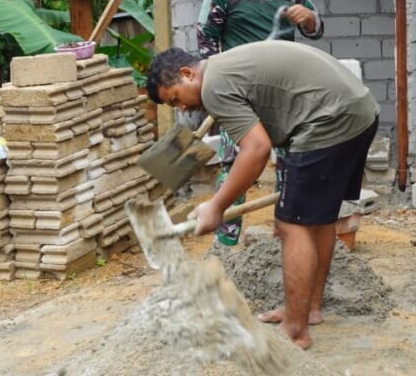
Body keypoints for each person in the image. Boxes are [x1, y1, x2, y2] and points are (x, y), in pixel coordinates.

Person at [146, 41, 379, 350]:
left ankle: (295, 330)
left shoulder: (215, 86)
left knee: (291, 225)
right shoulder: (224, 70)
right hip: (357, 111)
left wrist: (216, 205)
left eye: (176, 99)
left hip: (328, 120)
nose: (183, 108)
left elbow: (256, 150)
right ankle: (308, 310)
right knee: (317, 218)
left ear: (187, 73)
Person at [197, 0, 324, 247]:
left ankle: (289, 236)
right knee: (234, 167)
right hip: (238, 96)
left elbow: (317, 26)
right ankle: (225, 243)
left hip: (284, 96)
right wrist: (216, 86)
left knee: (291, 163)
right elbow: (206, 43)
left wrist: (308, 18)